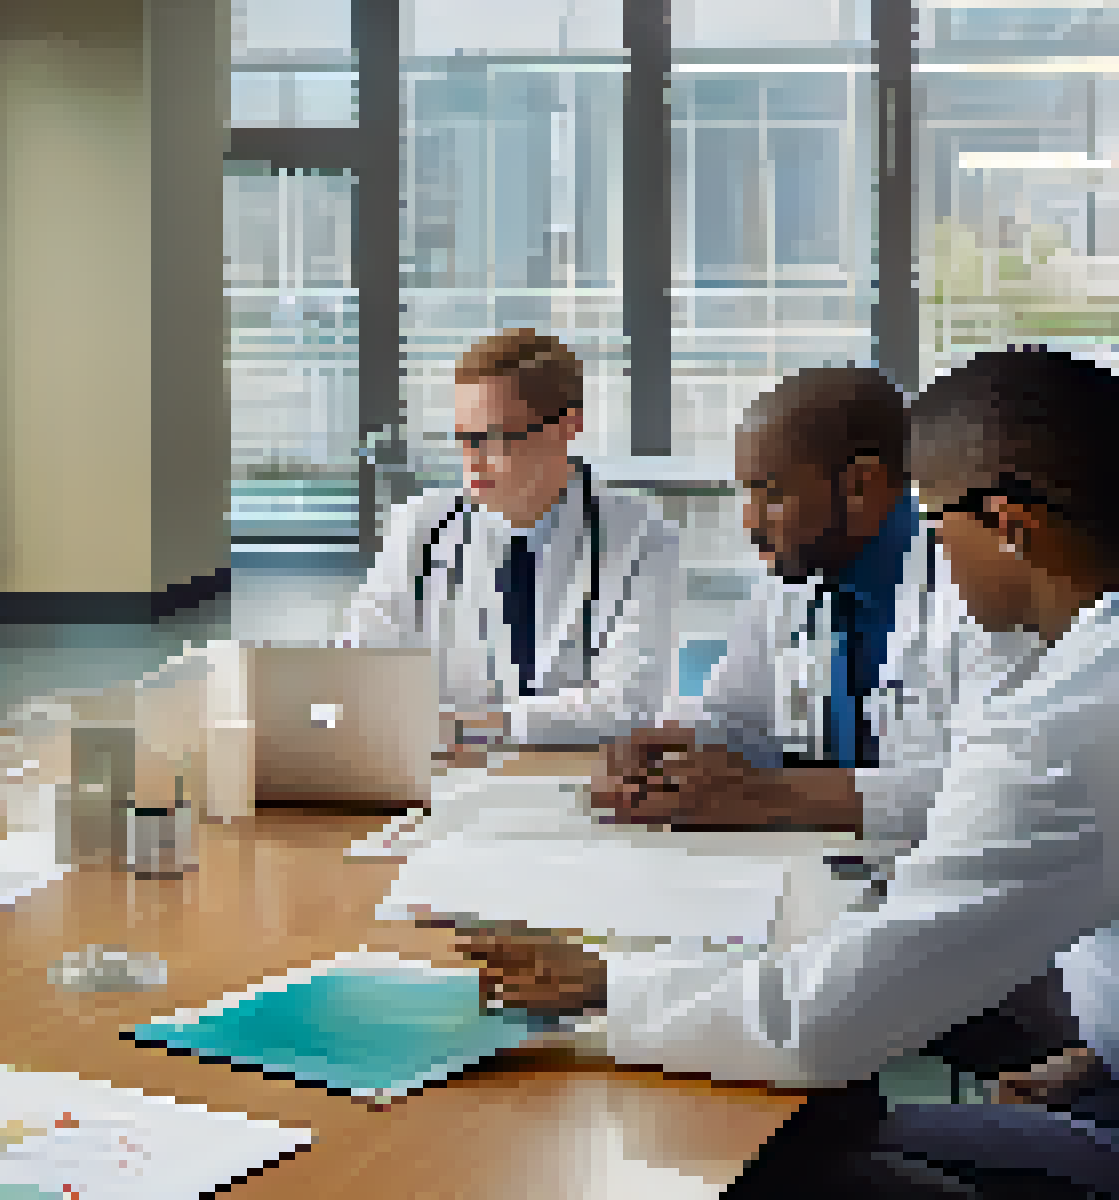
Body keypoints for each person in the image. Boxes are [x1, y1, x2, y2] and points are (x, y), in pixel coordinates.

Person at [458, 348, 1119, 1198]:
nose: (937, 545)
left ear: (1010, 527)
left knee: (779, 1153)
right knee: (830, 1116)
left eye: (938, 516)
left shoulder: (1065, 724)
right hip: (1094, 1075)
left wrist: (606, 987)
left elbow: (815, 1026)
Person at [592, 365, 1035, 837]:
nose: (750, 523)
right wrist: (670, 748)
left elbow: (1001, 786)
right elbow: (737, 719)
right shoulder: (793, 578)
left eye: (772, 494)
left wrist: (776, 796)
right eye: (746, 494)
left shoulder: (979, 589)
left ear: (861, 486)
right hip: (810, 866)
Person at [340, 328, 683, 751]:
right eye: (463, 439)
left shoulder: (641, 537)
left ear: (568, 427)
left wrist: (468, 728)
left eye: (493, 437)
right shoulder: (419, 527)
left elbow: (628, 707)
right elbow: (359, 675)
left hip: (578, 779)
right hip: (441, 780)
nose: (471, 460)